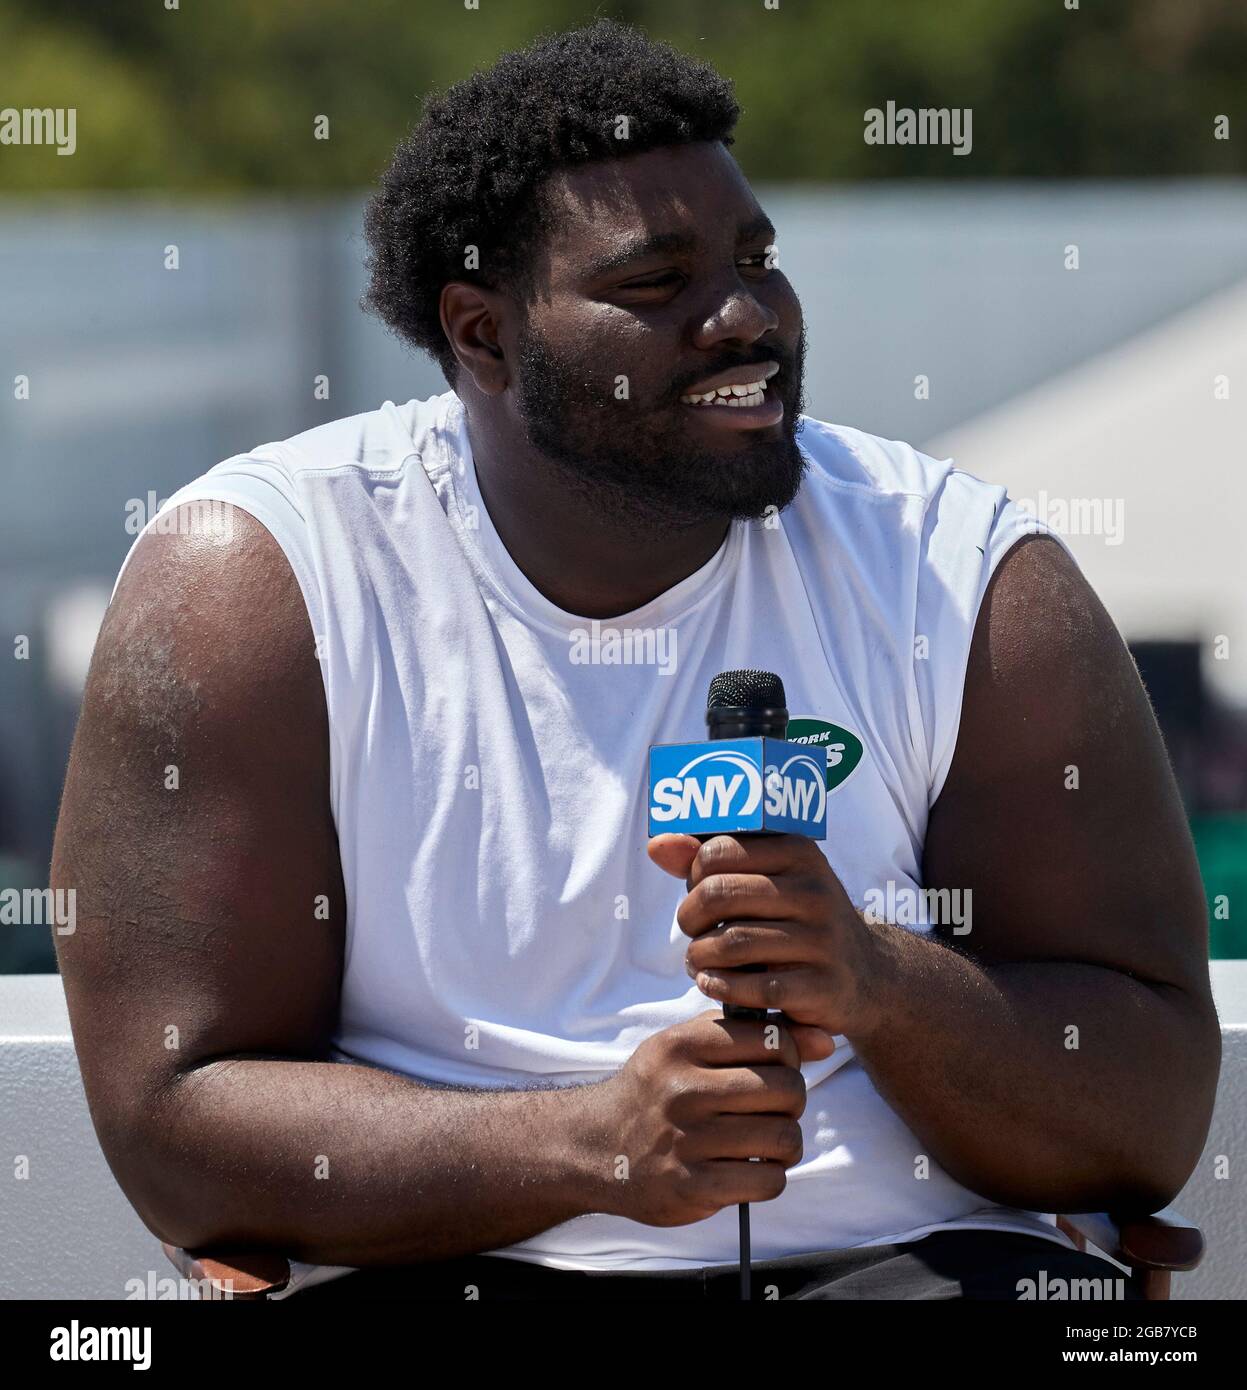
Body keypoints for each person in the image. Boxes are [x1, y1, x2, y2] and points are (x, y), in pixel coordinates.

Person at [50, 20, 1218, 1301]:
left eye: (755, 259)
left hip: (906, 1267)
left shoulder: (965, 573)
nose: (743, 317)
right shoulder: (260, 579)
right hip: (463, 1267)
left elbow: (1148, 1113)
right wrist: (588, 1146)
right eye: (657, 283)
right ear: (483, 333)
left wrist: (877, 980)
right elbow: (173, 1115)